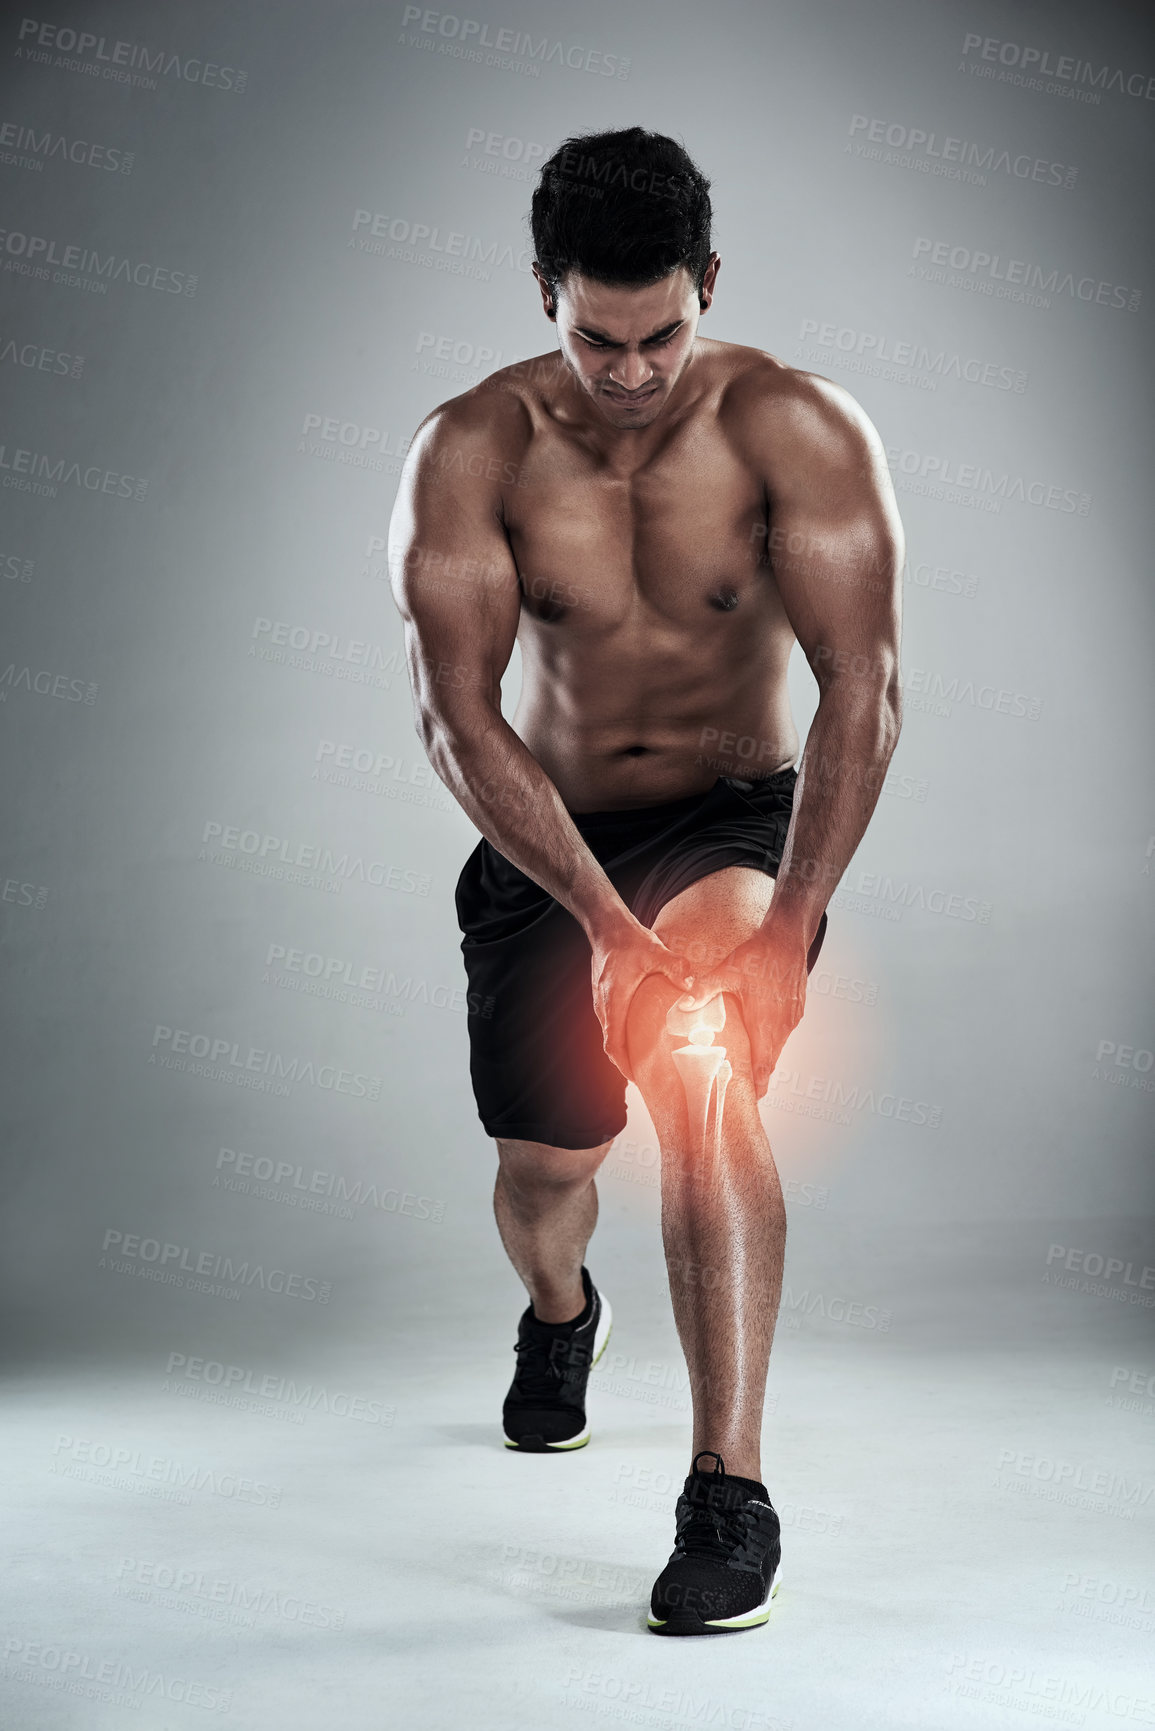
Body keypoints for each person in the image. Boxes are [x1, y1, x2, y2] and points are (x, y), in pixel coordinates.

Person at [389, 126, 904, 1635]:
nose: (630, 369)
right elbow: (456, 717)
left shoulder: (795, 428)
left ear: (710, 284)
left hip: (730, 824)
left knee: (706, 1075)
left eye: (662, 332)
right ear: (545, 293)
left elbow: (862, 684)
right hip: (548, 845)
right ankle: (562, 1318)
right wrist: (601, 927)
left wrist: (796, 919)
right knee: (547, 1176)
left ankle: (727, 1494)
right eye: (597, 338)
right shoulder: (472, 446)